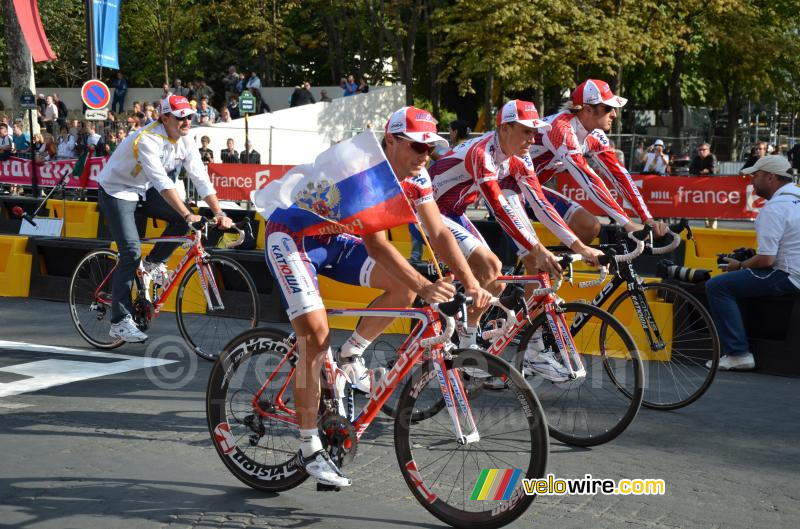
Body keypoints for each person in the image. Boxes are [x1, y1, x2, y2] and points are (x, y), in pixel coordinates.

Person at [254, 106, 490, 488]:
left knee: (405, 286)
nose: (424, 157)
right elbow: (377, 245)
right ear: (391, 140)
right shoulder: (364, 167)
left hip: (332, 239)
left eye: (430, 149)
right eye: (417, 146)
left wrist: (471, 282)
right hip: (291, 237)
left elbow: (440, 234)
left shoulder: (417, 175)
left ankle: (351, 357)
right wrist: (428, 285)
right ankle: (308, 446)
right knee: (315, 337)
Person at [430, 99, 604, 380]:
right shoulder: (481, 153)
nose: (532, 139)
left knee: (496, 281)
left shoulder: (520, 157)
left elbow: (541, 204)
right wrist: (537, 249)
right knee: (490, 264)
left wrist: (579, 246)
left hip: (454, 212)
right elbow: (500, 210)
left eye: (535, 132)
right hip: (429, 212)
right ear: (505, 128)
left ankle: (464, 339)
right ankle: (467, 343)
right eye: (525, 131)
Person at [96, 95, 233, 343]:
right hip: (117, 190)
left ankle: (151, 265)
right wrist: (186, 213)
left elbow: (200, 177)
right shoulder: (146, 139)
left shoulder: (185, 140)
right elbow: (162, 182)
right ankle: (119, 321)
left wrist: (219, 212)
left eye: (189, 116)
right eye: (181, 117)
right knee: (130, 252)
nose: (187, 121)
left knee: (184, 219)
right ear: (165, 117)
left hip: (143, 189)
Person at [529, 79, 669, 245]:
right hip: (504, 185)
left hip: (528, 187)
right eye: (608, 108)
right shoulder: (561, 128)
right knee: (530, 254)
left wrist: (647, 219)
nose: (615, 114)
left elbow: (619, 175)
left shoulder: (595, 134)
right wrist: (627, 223)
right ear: (588, 109)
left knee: (589, 227)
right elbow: (588, 179)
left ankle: (554, 270)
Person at [705, 155, 800, 371]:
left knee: (718, 286)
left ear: (770, 177)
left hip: (791, 276)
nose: (751, 181)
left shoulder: (775, 208)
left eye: (755, 176)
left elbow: (767, 260)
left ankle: (738, 353)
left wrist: (739, 265)